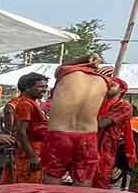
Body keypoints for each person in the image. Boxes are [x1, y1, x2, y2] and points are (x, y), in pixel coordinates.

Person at [43, 54, 111, 185]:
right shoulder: (105, 81)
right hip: (88, 135)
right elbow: (118, 88)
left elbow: (62, 65)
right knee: (83, 178)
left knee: (53, 175)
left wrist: (87, 57)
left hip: (59, 134)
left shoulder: (66, 72)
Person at [1, 73, 48, 184]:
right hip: (28, 150)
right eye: (41, 87)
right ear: (27, 87)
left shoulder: (33, 103)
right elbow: (18, 132)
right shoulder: (22, 104)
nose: (44, 90)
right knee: (28, 185)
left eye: (45, 87)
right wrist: (32, 156)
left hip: (34, 149)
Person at [94, 77, 136, 188]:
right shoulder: (98, 102)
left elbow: (101, 124)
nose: (107, 88)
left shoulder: (124, 105)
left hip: (106, 147)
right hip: (91, 144)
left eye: (112, 85)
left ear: (121, 90)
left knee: (100, 179)